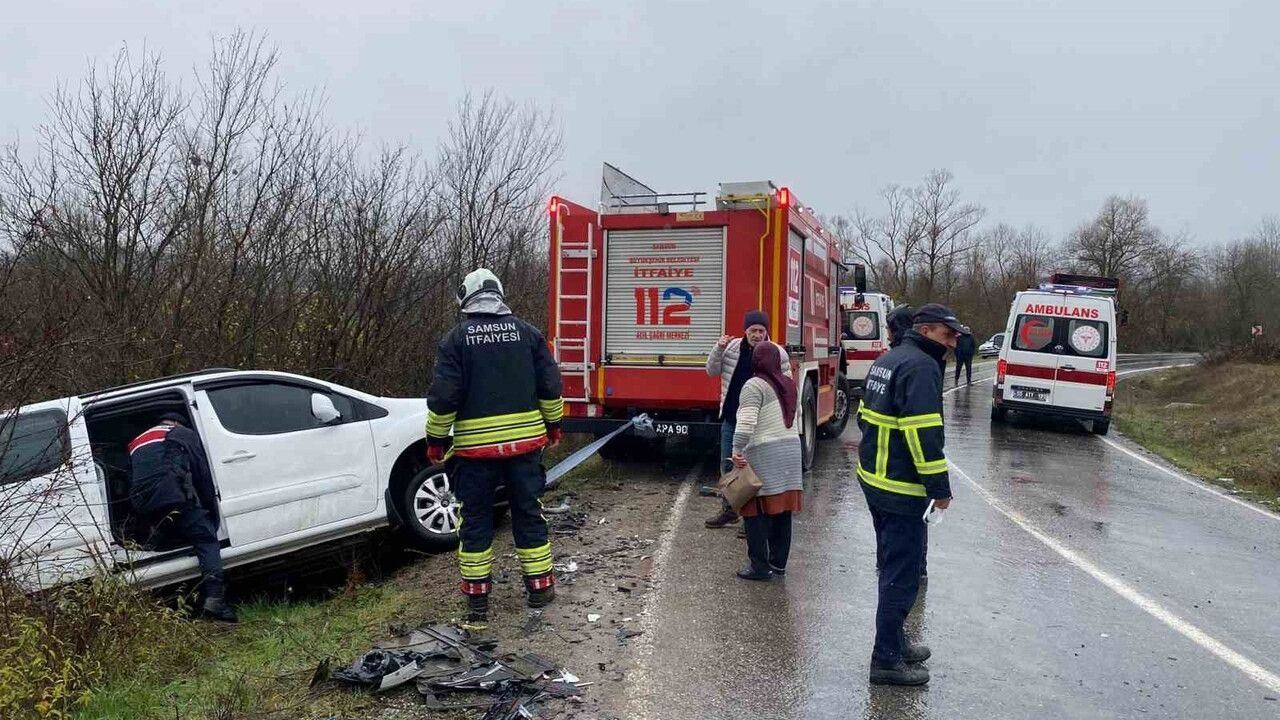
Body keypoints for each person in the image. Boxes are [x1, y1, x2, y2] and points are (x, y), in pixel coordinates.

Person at [426, 268, 565, 628]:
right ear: (500, 295)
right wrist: (554, 425)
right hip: (525, 449)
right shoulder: (528, 334)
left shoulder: (455, 340)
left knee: (475, 521)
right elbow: (550, 385)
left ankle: (477, 603)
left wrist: (435, 441)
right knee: (528, 513)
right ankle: (540, 588)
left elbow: (444, 398)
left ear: (465, 298)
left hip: (474, 455)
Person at [856, 303, 965, 686]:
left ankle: (897, 642)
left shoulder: (888, 359)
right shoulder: (920, 367)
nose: (953, 343)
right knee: (901, 577)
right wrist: (939, 489)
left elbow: (863, 416)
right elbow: (923, 434)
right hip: (900, 488)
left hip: (875, 480)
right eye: (948, 335)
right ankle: (886, 659)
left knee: (893, 568)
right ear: (927, 330)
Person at [127, 412, 235, 622]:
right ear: (177, 423)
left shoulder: (136, 442)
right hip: (173, 497)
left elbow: (131, 476)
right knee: (206, 538)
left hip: (145, 505)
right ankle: (215, 600)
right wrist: (209, 506)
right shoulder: (180, 433)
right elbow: (200, 470)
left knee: (170, 530)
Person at [703, 310, 791, 529]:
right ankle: (729, 510)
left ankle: (752, 519)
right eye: (753, 330)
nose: (757, 335)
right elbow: (711, 371)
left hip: (761, 424)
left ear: (766, 332)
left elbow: (787, 386)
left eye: (761, 331)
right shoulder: (732, 348)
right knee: (729, 466)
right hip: (732, 419)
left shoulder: (777, 353)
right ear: (746, 331)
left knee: (755, 470)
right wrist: (718, 348)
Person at [730, 341, 803, 581]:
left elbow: (746, 422)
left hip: (766, 452)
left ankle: (759, 566)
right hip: (791, 451)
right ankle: (778, 564)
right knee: (782, 509)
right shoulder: (789, 384)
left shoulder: (754, 385)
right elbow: (797, 416)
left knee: (755, 509)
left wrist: (737, 449)